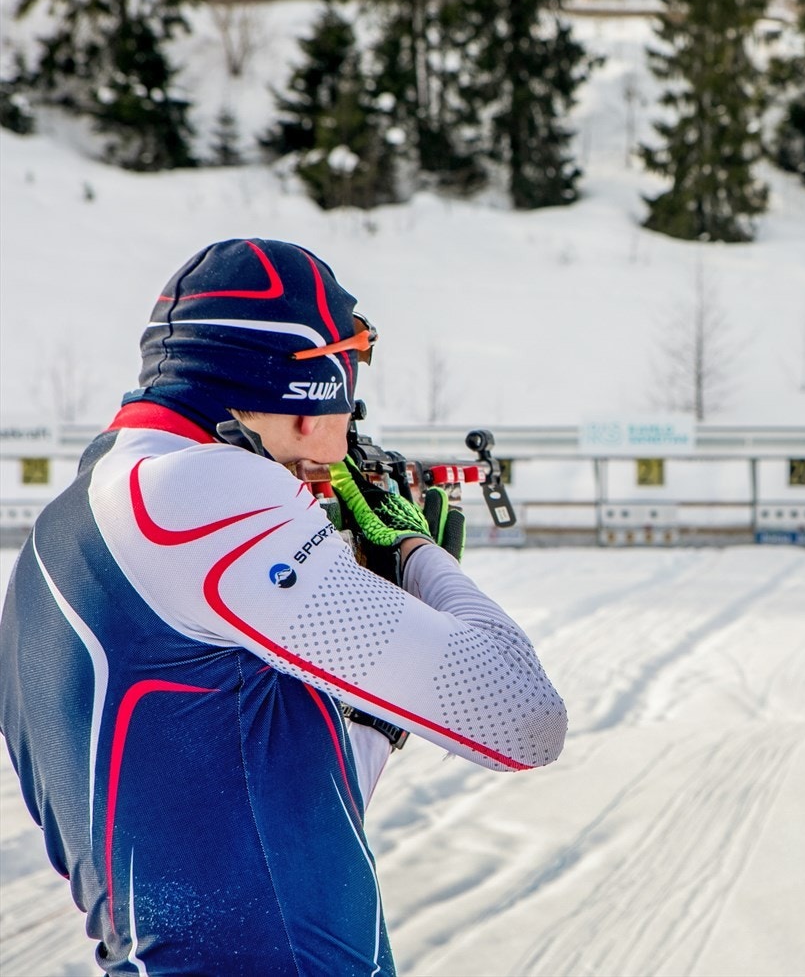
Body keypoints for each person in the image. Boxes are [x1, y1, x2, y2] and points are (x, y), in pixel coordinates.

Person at [0, 238, 566, 975]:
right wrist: (416, 553)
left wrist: (376, 703)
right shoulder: (192, 491)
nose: (334, 456)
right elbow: (524, 718)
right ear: (313, 395)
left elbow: (288, 811)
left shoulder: (62, 534)